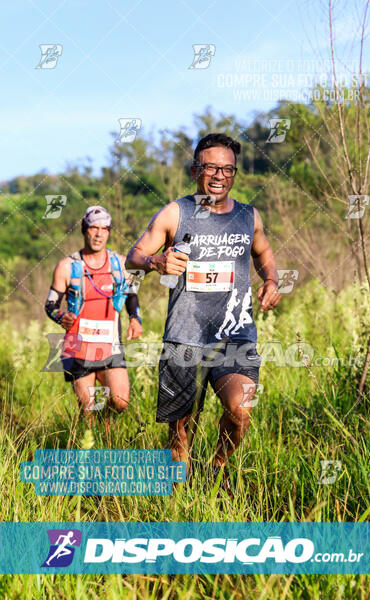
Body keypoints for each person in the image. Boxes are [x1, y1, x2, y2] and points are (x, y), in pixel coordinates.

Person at [126, 133, 281, 495]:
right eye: (211, 166)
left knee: (240, 409)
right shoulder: (174, 212)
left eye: (228, 169)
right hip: (184, 337)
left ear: (235, 174)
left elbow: (264, 252)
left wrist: (271, 280)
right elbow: (134, 255)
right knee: (180, 436)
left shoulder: (248, 215)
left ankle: (217, 468)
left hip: (235, 335)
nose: (219, 175)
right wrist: (156, 260)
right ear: (196, 170)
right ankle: (181, 501)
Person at [45, 206, 143, 426]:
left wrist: (135, 319)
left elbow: (131, 295)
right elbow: (50, 305)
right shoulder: (67, 266)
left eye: (104, 229)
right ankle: (92, 442)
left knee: (120, 401)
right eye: (93, 228)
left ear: (109, 232)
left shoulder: (119, 263)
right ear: (84, 230)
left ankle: (104, 423)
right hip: (78, 347)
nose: (99, 234)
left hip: (111, 345)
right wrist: (61, 316)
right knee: (88, 410)